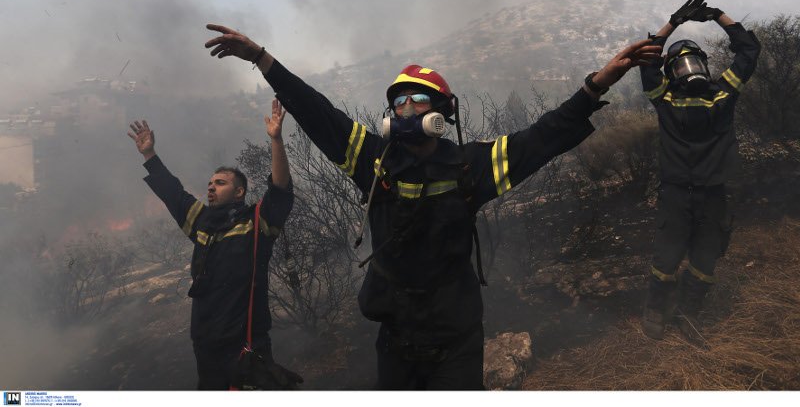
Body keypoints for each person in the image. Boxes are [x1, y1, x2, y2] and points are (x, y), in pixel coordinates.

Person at [204, 24, 661, 389]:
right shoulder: (373, 160)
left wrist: (599, 83)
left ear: (441, 112)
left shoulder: (471, 166)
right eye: (396, 102)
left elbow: (546, 135)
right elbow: (315, 110)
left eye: (414, 99)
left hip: (457, 341)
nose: (403, 108)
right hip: (395, 340)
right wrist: (261, 58)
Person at [127, 100, 300, 390]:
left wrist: (276, 139)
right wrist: (150, 155)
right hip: (206, 347)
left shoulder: (256, 222)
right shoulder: (203, 222)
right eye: (209, 183)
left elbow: (281, 190)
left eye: (219, 183)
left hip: (246, 346)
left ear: (239, 192)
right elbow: (174, 194)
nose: (210, 187)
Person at [639, 0, 761, 343]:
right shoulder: (677, 97)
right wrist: (688, 20)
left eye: (692, 62)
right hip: (680, 195)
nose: (687, 69)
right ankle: (656, 310)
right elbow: (647, 59)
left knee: (705, 261)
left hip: (711, 195)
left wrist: (686, 22)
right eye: (679, 65)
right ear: (670, 73)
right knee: (666, 259)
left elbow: (749, 51)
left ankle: (687, 315)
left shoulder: (719, 94)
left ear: (704, 65)